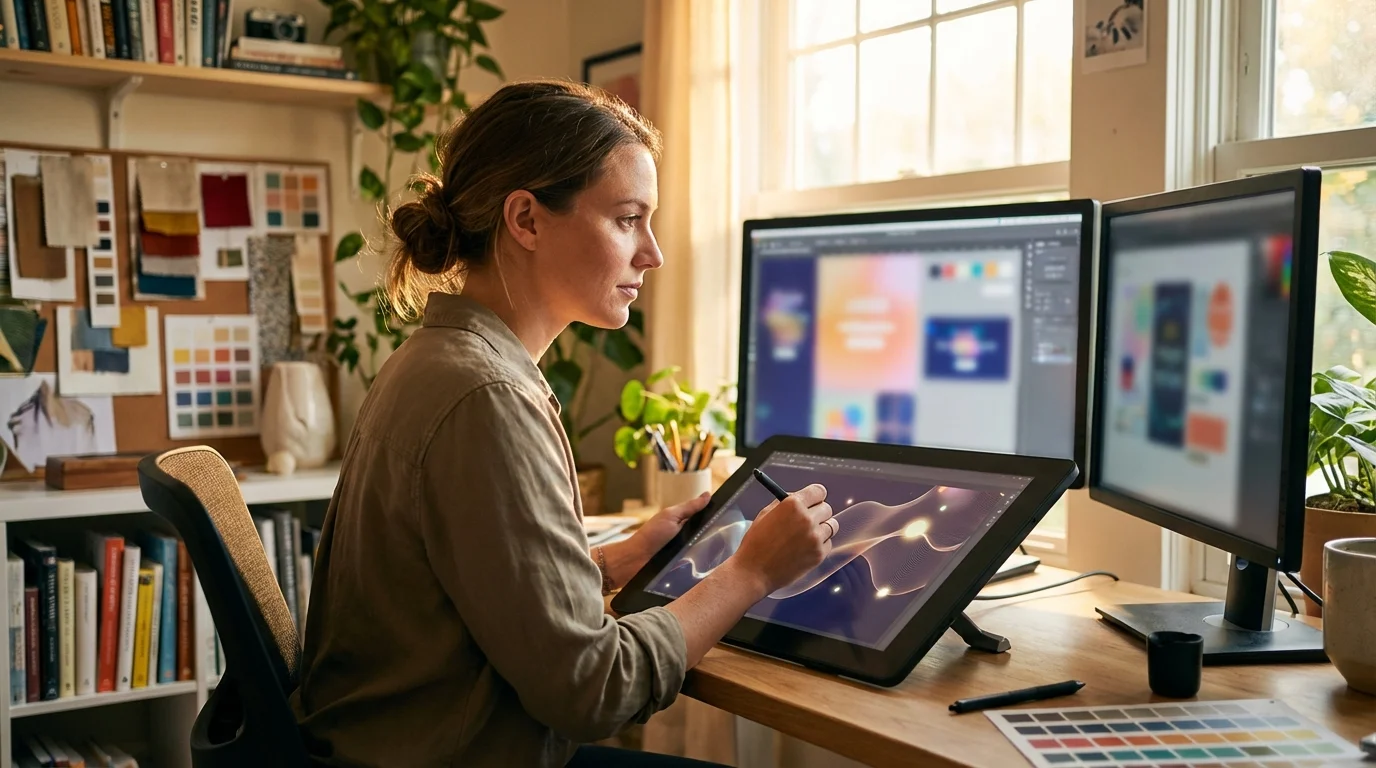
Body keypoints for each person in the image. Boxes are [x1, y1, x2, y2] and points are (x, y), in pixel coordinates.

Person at [290, 79, 839, 768]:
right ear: (526, 220)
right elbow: (592, 690)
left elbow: (470, 588)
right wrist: (752, 572)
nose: (653, 253)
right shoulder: (485, 395)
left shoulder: (439, 360)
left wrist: (613, 561)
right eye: (627, 219)